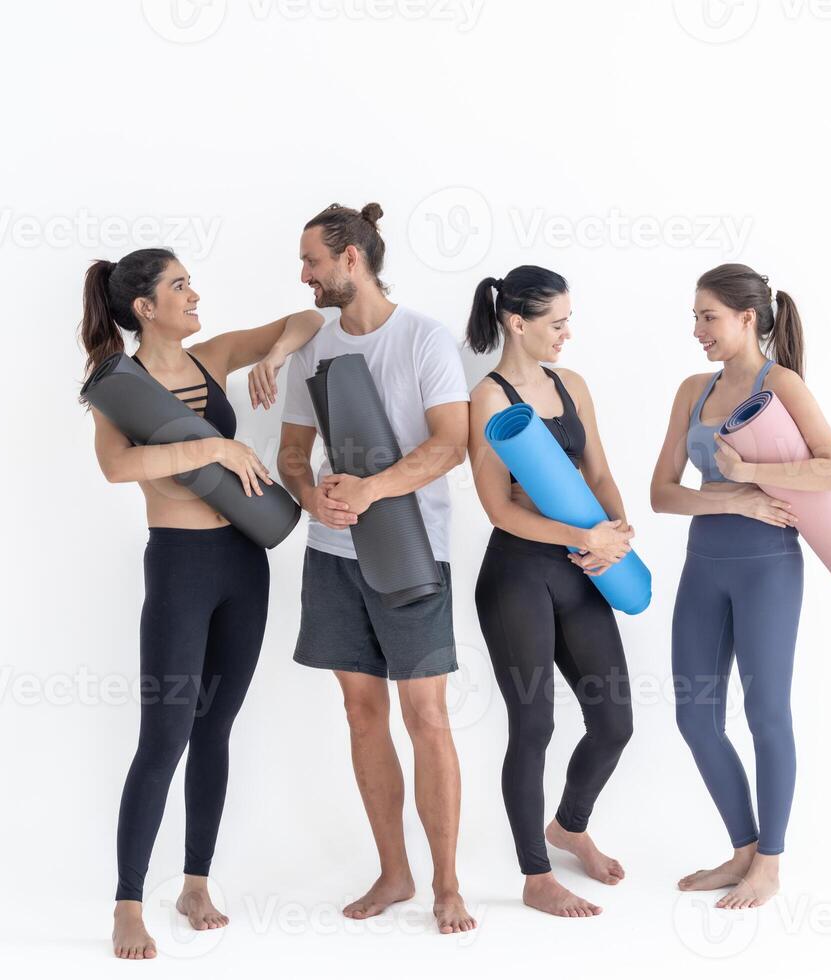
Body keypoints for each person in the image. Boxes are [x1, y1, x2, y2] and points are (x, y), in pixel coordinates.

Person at [79, 247, 322, 960]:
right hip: (180, 564)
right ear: (144, 308)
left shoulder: (212, 358)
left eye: (190, 282)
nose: (193, 293)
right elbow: (118, 466)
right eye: (178, 286)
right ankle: (128, 904)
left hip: (243, 563)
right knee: (164, 737)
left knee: (215, 730)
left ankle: (195, 883)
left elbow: (308, 316)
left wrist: (275, 354)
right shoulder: (118, 383)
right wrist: (210, 450)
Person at [275, 203, 477, 934]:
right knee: (363, 713)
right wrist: (310, 497)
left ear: (351, 257)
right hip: (333, 557)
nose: (305, 275)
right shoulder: (315, 350)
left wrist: (371, 488)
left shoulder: (424, 339)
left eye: (313, 262)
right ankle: (394, 874)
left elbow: (450, 443)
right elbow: (294, 451)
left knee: (427, 716)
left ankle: (448, 885)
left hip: (413, 552)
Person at [650, 263, 831, 910]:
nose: (697, 329)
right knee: (695, 716)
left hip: (768, 566)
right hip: (703, 563)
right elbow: (661, 494)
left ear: (746, 317)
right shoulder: (690, 390)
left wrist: (751, 470)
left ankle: (769, 862)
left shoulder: (780, 383)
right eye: (695, 317)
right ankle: (741, 849)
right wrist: (736, 498)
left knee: (766, 713)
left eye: (707, 316)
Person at [464, 265, 636, 917]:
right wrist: (579, 534)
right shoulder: (487, 396)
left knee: (614, 721)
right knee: (534, 723)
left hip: (583, 570)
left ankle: (569, 826)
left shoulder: (573, 385)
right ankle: (536, 877)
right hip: (517, 575)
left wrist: (615, 532)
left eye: (569, 321)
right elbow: (497, 507)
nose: (567, 333)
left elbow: (599, 471)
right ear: (517, 322)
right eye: (556, 322)